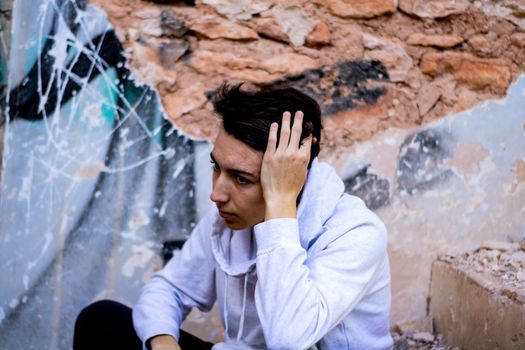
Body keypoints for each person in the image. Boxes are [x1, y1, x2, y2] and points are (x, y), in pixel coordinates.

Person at [73, 83, 393, 350]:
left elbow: (289, 339)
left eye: (241, 178)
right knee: (102, 321)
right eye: (216, 167)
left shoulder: (355, 232)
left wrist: (279, 207)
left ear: (292, 177)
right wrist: (163, 343)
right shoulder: (228, 217)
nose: (217, 194)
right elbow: (168, 289)